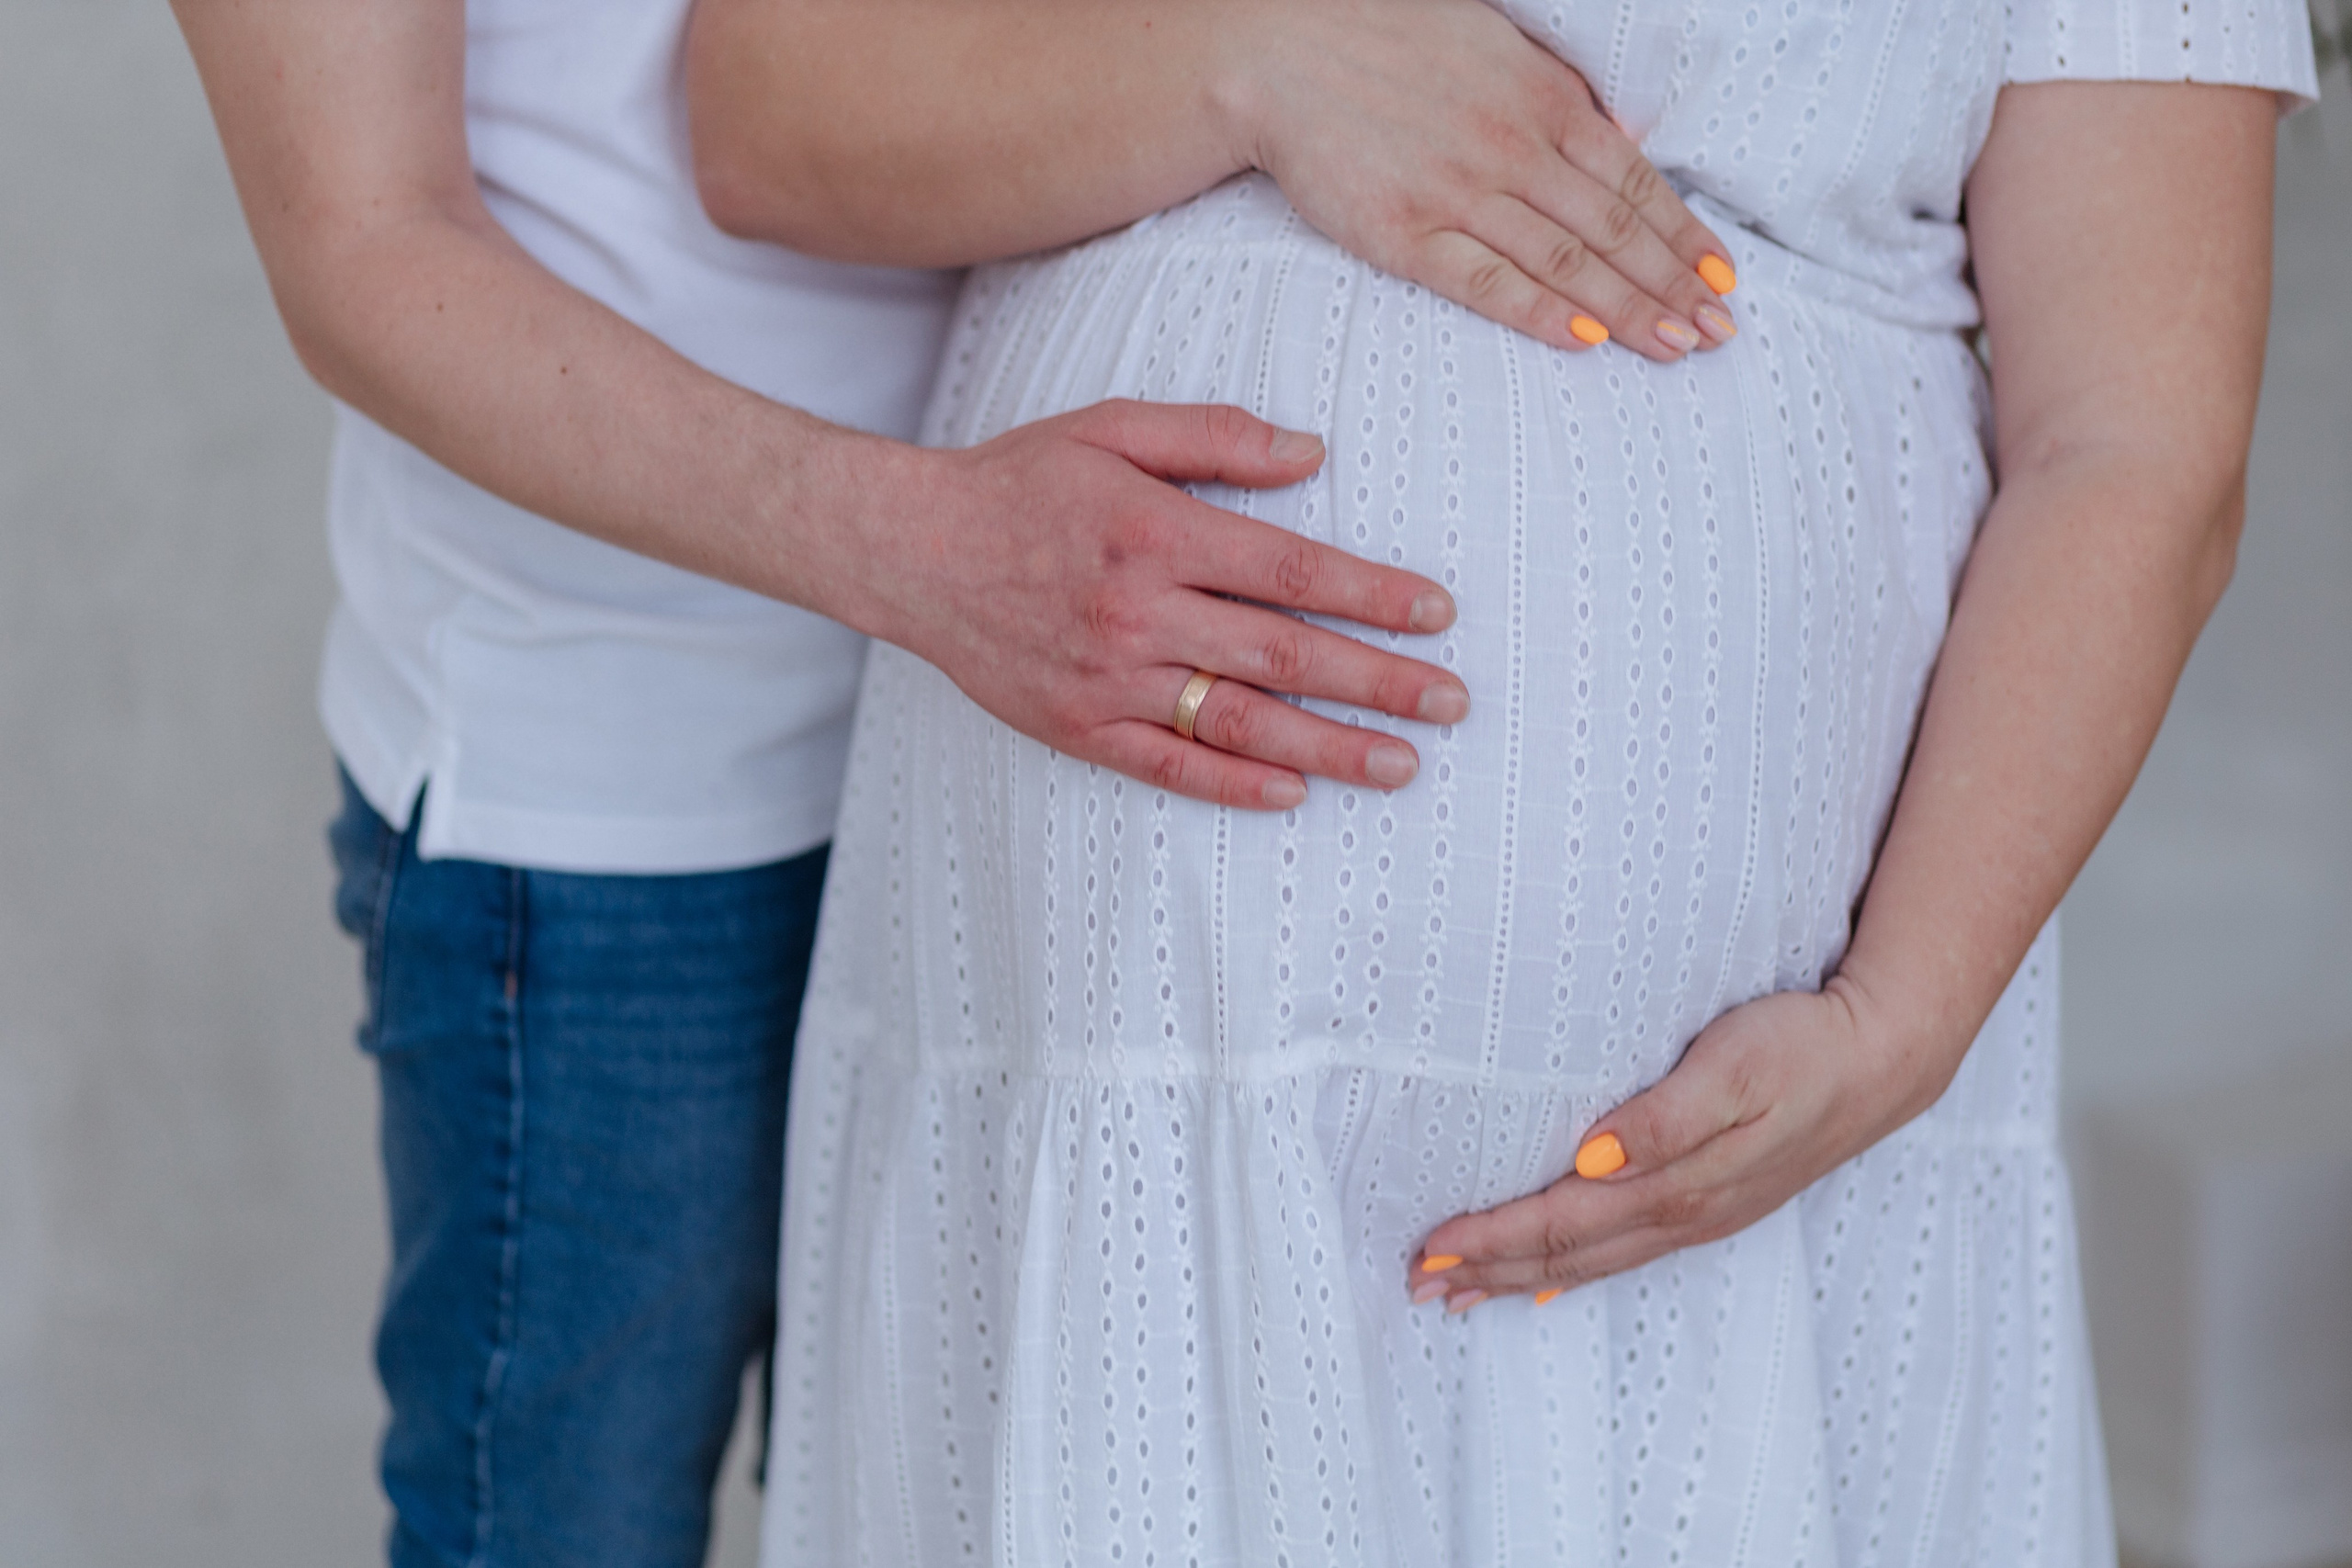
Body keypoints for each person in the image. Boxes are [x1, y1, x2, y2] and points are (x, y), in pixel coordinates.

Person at [686, 0, 2318, 1562]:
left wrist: (1903, 1015)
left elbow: (2135, 438)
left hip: (1783, 1137)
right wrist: (1244, 59)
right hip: (1112, 1032)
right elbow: (772, 102)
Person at [165, 0, 1729, 1562]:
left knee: (920, 1510)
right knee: (557, 1531)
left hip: (1026, 775)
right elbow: (365, 254)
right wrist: (937, 556)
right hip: (618, 794)